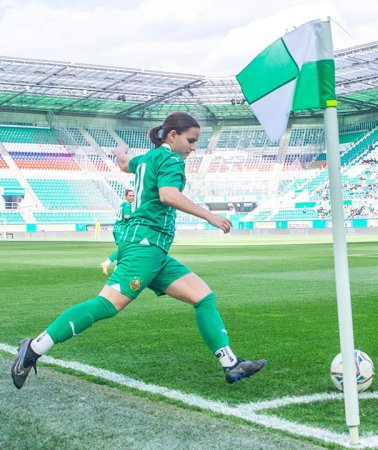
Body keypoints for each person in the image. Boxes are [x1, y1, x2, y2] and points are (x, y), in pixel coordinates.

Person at [11, 112, 265, 389]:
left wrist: (120, 151)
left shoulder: (147, 158)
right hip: (145, 247)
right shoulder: (170, 159)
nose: (194, 147)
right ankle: (34, 348)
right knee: (106, 305)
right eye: (191, 141)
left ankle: (231, 364)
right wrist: (209, 216)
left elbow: (123, 164)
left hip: (154, 251)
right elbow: (168, 194)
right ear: (172, 136)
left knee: (204, 297)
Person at [101, 189, 135, 275]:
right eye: (130, 195)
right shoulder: (127, 204)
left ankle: (116, 270)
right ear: (126, 196)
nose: (132, 197)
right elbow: (127, 216)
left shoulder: (123, 204)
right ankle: (107, 263)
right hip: (121, 229)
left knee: (125, 249)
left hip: (118, 228)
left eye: (133, 195)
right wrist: (136, 217)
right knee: (123, 249)